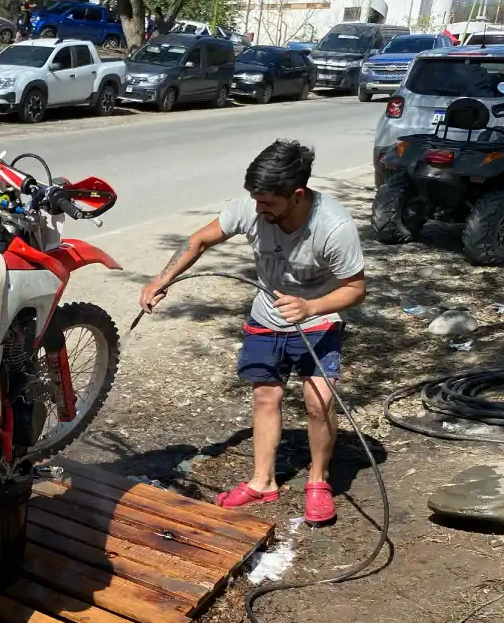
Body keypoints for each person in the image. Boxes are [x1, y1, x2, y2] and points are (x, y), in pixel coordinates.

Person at [139, 140, 366, 527]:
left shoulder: (334, 226)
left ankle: (318, 482)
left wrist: (310, 306)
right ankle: (263, 482)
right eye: (255, 201)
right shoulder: (251, 207)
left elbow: (356, 288)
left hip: (317, 318)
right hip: (267, 316)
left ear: (296, 195)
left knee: (319, 402)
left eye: (267, 204)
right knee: (265, 395)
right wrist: (161, 279)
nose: (259, 210)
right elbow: (200, 240)